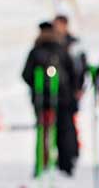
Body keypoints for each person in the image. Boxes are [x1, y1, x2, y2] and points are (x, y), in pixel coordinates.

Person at [21, 21, 79, 175]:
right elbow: (73, 73)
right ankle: (65, 164)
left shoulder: (36, 51)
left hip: (43, 100)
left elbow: (26, 75)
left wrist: (36, 86)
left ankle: (42, 162)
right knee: (62, 131)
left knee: (43, 130)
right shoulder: (60, 50)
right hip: (62, 99)